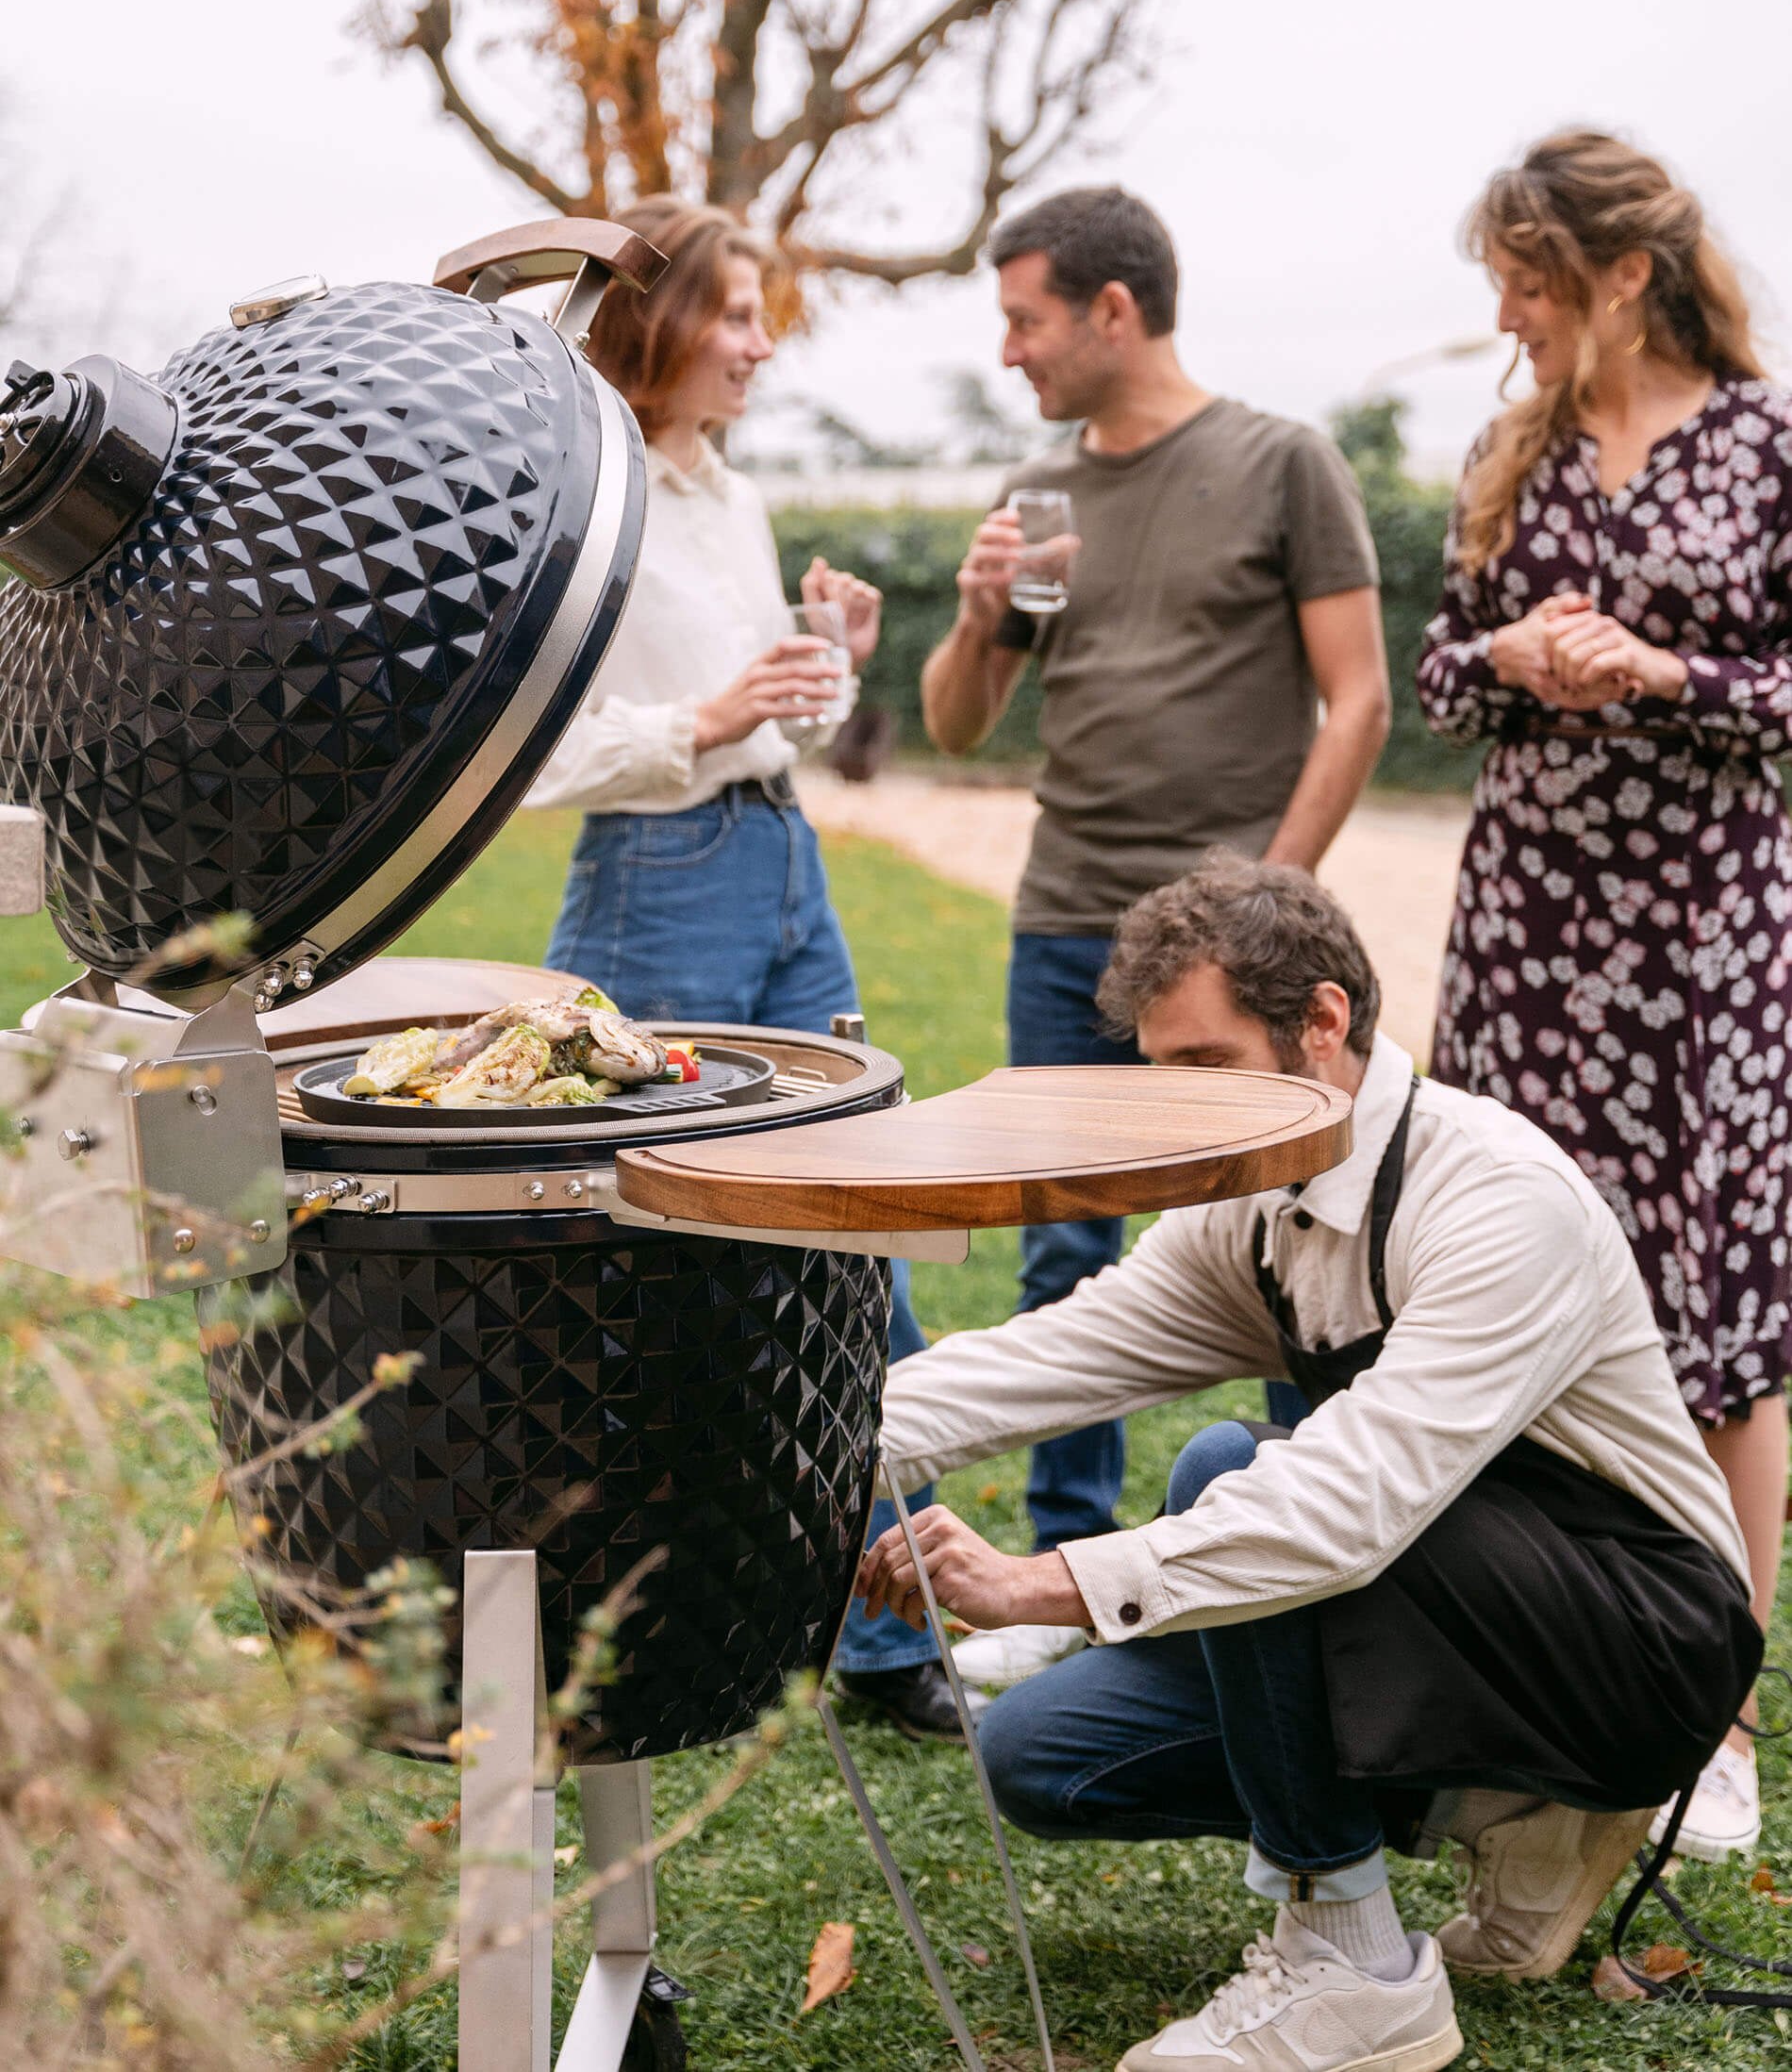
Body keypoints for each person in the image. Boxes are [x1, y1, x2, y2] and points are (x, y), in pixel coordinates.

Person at [854, 854, 1758, 2072]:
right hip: (1446, 1614)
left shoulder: (1497, 1199)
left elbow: (1342, 1509)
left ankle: (1357, 1964)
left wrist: (1042, 1584)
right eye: (1161, 1076)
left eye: (1206, 1070)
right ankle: (1503, 1811)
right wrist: (802, 1457)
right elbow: (1056, 1355)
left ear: (1322, 1025)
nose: (1179, 1111)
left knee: (1232, 1470)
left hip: (1638, 1642)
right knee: (1042, 1760)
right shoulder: (1254, 1203)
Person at [920, 187, 1390, 1688]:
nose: (1011, 354)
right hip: (1068, 914)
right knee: (1063, 1246)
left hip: (1230, 953)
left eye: (1026, 319)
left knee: (1281, 1226)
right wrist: (979, 613)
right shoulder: (1043, 494)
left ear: (1113, 312)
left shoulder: (1280, 463)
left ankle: (1284, 1540)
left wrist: (1271, 903)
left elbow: (1360, 697)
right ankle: (1056, 1575)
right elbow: (958, 721)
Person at [524, 197, 968, 1743]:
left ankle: (886, 1635)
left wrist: (823, 652)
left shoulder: (733, 496)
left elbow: (774, 711)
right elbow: (517, 754)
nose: (765, 343)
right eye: (736, 314)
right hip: (661, 886)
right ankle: (628, 1618)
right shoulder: (581, 501)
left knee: (860, 1231)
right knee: (651, 1264)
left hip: (783, 863)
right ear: (655, 327)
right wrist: (700, 725)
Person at [1415, 129, 1792, 1865]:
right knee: (1505, 1281)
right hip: (1533, 924)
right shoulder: (1513, 448)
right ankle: (1517, 1679)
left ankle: (1713, 1715)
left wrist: (1665, 670)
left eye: (1529, 278)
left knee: (1711, 1315)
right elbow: (1435, 671)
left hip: (1705, 934)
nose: (1504, 310)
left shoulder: (1767, 445)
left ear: (1625, 274)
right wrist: (1507, 656)